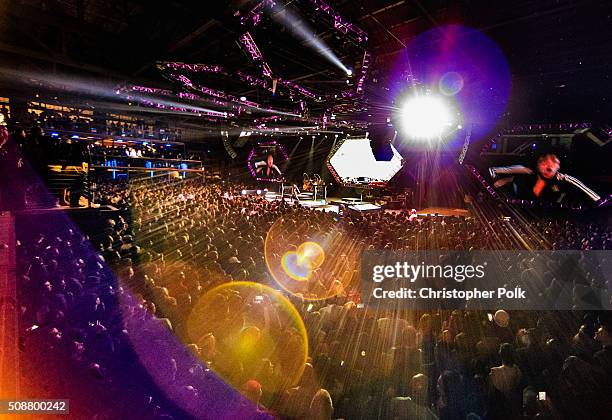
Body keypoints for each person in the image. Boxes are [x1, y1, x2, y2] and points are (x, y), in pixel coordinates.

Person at [489, 152, 600, 203]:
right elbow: (494, 170)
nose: (548, 168)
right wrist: (497, 180)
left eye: (553, 166)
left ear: (558, 167)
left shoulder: (562, 179)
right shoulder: (526, 170)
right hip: (518, 198)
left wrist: (598, 200)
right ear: (539, 162)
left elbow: (586, 190)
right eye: (545, 163)